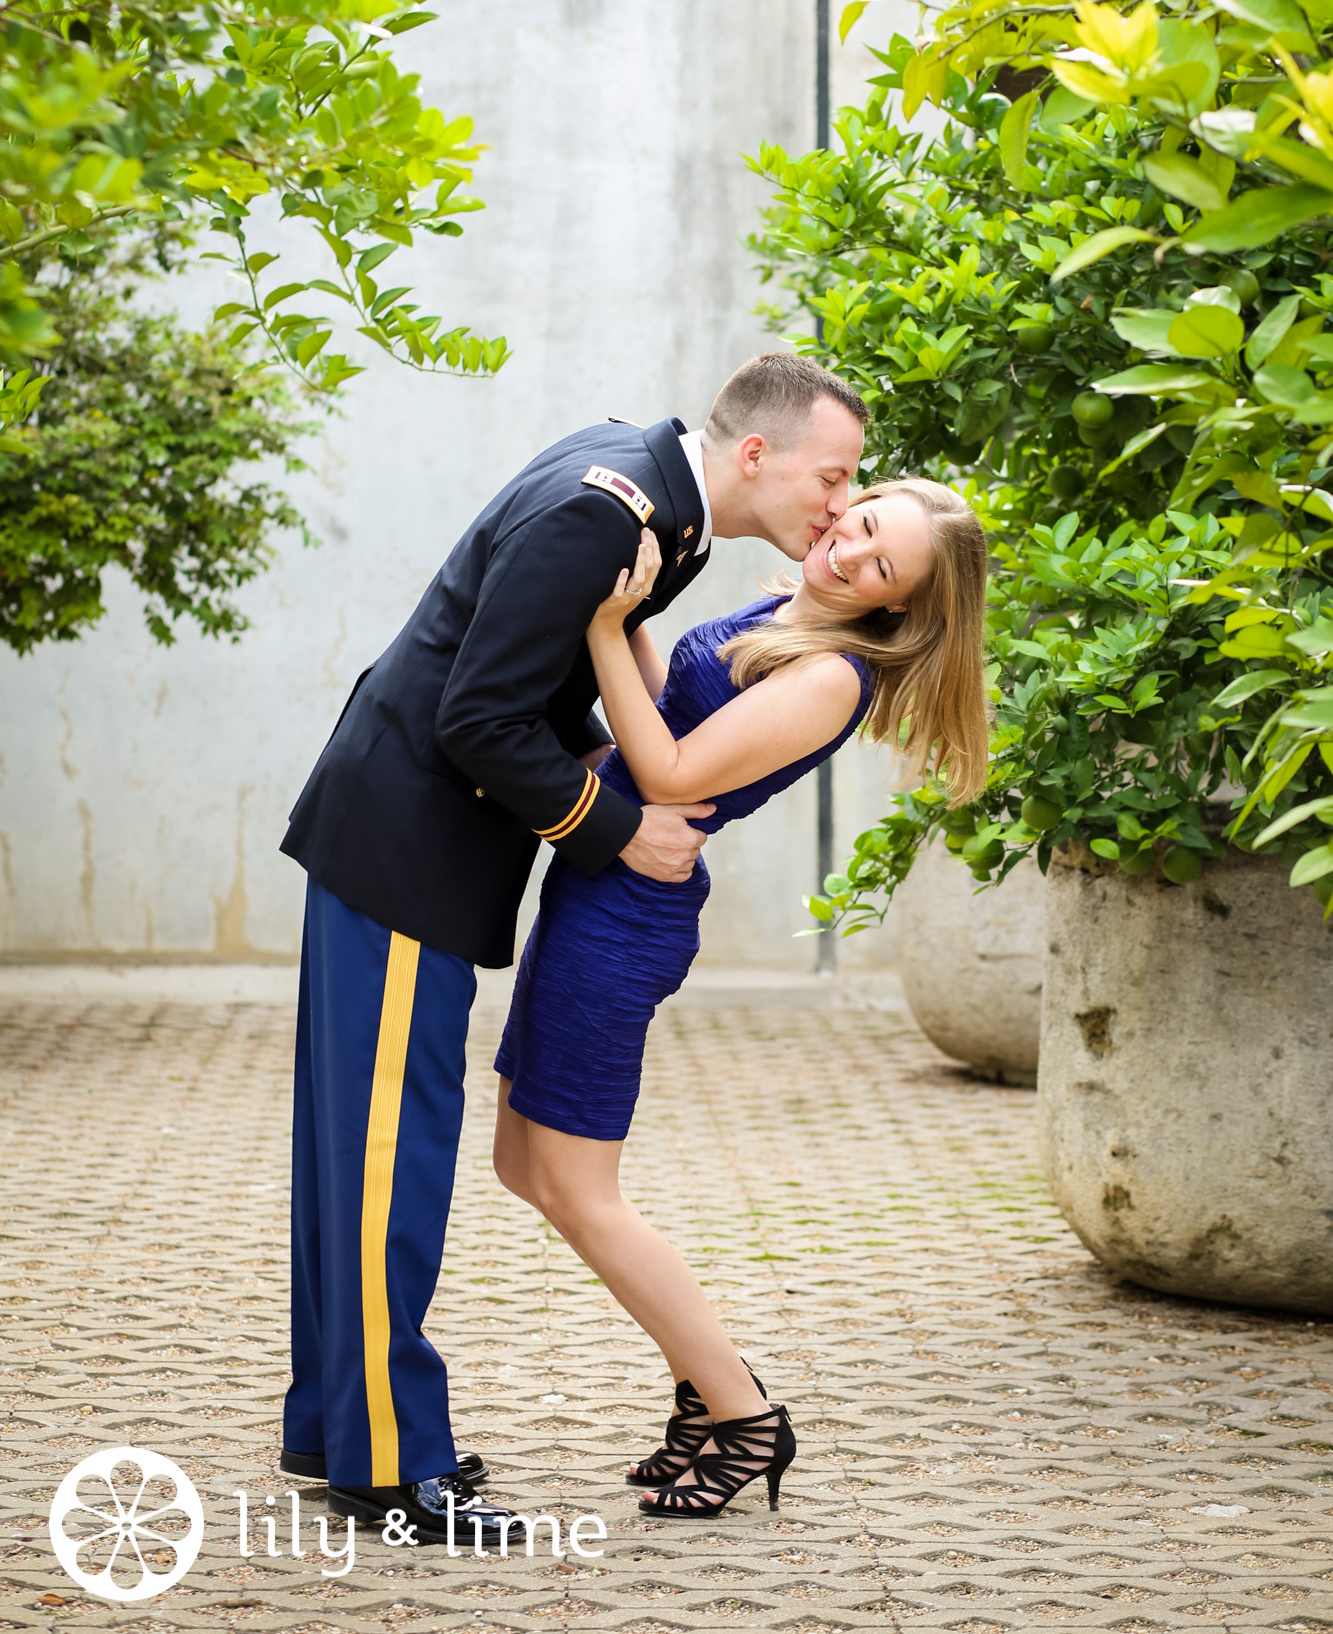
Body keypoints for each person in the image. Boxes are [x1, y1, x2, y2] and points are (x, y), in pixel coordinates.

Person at [275, 353, 870, 1545]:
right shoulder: (615, 514)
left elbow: (537, 681)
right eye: (836, 474)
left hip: (401, 835)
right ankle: (390, 1469)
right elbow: (480, 715)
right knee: (387, 1162)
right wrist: (614, 826)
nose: (840, 503)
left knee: (357, 1156)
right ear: (757, 454)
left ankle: (335, 1428)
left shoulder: (653, 499)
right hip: (410, 847)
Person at [493, 478, 988, 1517]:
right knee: (522, 1165)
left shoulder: (832, 676)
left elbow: (665, 766)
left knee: (582, 1189)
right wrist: (624, 623)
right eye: (859, 524)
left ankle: (746, 1414)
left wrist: (596, 621)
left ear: (900, 604)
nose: (849, 550)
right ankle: (701, 1385)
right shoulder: (785, 610)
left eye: (880, 563)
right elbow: (667, 692)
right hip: (597, 880)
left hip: (627, 912)